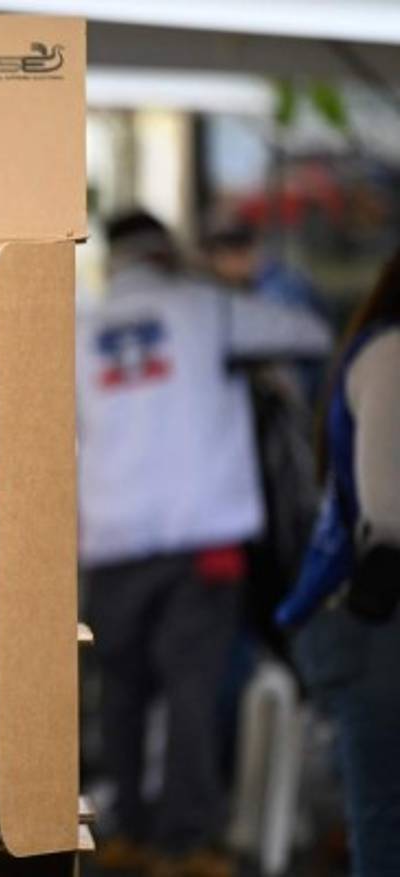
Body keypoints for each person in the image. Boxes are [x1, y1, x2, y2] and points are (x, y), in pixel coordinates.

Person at [78, 210, 331, 877]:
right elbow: (307, 333)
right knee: (192, 688)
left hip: (110, 539)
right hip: (202, 540)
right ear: (168, 254)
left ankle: (126, 830)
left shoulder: (79, 327)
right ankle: (186, 843)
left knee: (123, 692)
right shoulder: (209, 308)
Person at [277, 248, 400, 876]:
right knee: (383, 823)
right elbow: (387, 512)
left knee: (381, 816)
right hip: (376, 617)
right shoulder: (391, 354)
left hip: (366, 617)